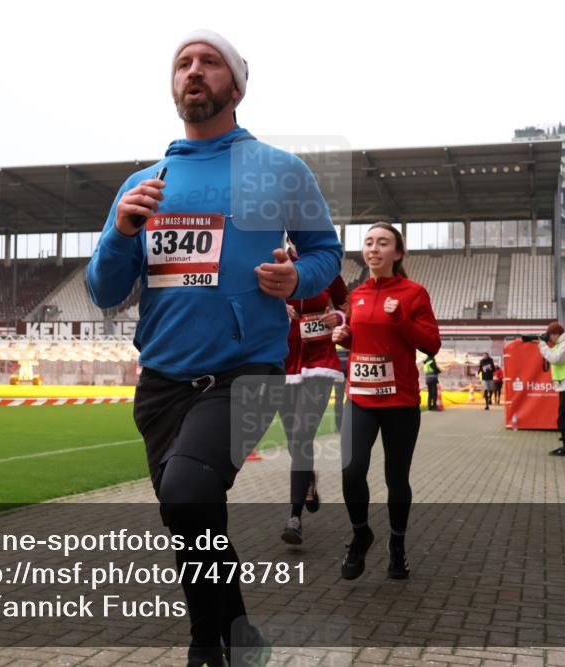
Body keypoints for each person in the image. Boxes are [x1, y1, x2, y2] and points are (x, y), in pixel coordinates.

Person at [85, 29, 342, 667]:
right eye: (182, 63)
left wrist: (298, 278)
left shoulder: (280, 170)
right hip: (160, 387)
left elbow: (326, 252)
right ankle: (235, 633)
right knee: (192, 519)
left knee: (186, 498)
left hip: (242, 374)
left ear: (237, 84)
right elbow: (103, 290)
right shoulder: (144, 184)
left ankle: (205, 645)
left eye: (208, 62)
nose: (193, 71)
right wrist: (121, 232)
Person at [332, 222, 441, 581]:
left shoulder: (414, 293)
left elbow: (430, 344)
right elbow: (366, 345)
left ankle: (397, 545)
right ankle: (361, 534)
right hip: (360, 397)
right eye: (368, 243)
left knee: (396, 478)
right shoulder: (358, 293)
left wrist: (401, 319)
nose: (374, 248)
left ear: (397, 253)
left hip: (400, 400)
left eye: (382, 243)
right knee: (350, 470)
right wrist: (345, 337)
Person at [279, 243, 348, 545]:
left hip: (320, 362)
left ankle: (294, 518)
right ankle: (308, 479)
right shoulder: (275, 261)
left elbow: (348, 307)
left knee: (303, 434)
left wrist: (341, 320)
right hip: (284, 361)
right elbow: (252, 299)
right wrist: (277, 307)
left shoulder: (327, 267)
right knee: (294, 438)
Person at [522, 322, 565, 456]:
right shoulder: (564, 343)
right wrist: (545, 345)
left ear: (556, 334)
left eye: (550, 335)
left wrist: (542, 345)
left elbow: (554, 358)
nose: (549, 338)